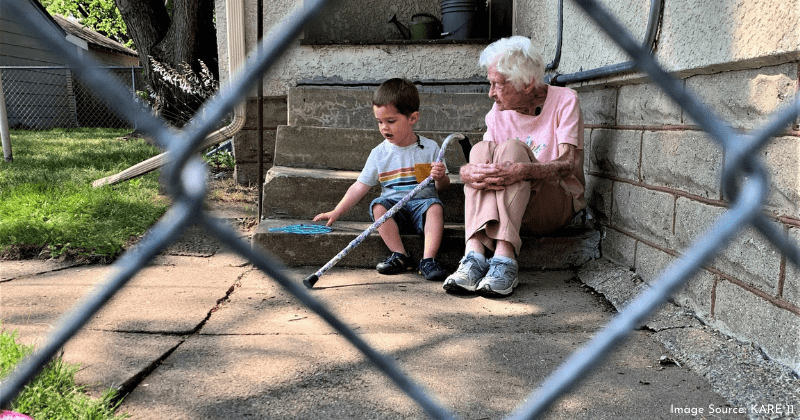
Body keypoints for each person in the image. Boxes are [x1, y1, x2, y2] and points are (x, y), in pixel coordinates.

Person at [443, 36, 586, 296]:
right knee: (480, 151)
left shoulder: (565, 100)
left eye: (497, 84)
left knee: (512, 151)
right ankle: (474, 256)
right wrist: (466, 173)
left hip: (555, 203)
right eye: (490, 84)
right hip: (511, 206)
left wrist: (524, 169)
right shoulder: (496, 114)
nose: (491, 93)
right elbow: (483, 164)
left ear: (527, 82)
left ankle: (505, 260)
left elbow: (568, 163)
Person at [313, 78, 451, 281]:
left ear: (412, 118)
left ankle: (428, 260)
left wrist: (440, 177)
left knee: (435, 207)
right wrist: (337, 211)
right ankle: (400, 255)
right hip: (395, 210)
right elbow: (360, 186)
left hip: (423, 206)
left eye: (391, 121)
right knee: (378, 206)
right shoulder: (379, 153)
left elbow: (443, 187)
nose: (384, 128)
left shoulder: (430, 148)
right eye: (379, 122)